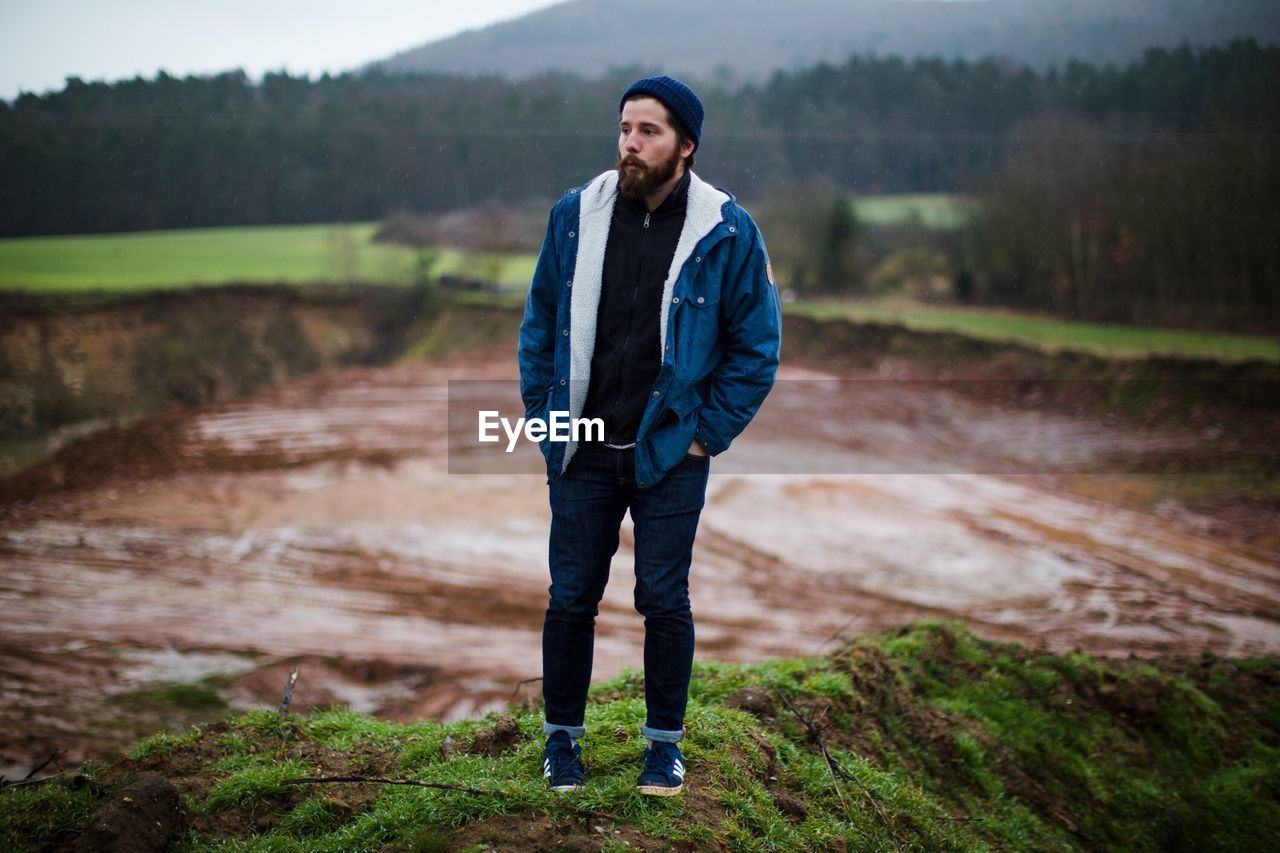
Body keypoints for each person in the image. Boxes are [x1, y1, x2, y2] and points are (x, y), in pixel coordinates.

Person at [517, 75, 782, 796]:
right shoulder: (576, 214)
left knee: (664, 598)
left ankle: (663, 748)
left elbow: (756, 346)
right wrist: (545, 418)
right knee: (571, 595)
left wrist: (705, 434)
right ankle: (561, 742)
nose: (630, 144)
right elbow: (539, 324)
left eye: (649, 132)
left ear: (686, 146)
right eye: (625, 128)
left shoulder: (726, 229)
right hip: (586, 443)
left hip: (671, 450)